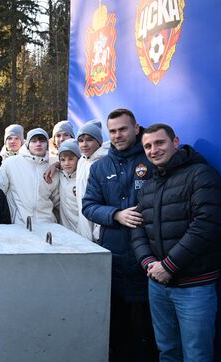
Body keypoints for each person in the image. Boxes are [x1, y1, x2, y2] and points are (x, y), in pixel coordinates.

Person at [132, 123, 221, 361]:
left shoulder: (200, 174)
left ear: (175, 141)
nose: (153, 150)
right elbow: (137, 227)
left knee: (197, 355)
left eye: (159, 143)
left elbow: (206, 225)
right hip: (157, 285)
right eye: (148, 146)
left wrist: (169, 266)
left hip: (194, 287)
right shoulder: (150, 184)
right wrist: (149, 263)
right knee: (167, 351)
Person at [82, 108, 156, 362]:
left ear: (136, 129)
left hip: (147, 260)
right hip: (113, 259)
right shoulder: (100, 167)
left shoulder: (151, 159)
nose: (117, 135)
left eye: (123, 129)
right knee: (117, 332)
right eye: (112, 131)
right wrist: (116, 214)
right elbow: (89, 205)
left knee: (146, 332)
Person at [0, 128, 59, 225]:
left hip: (46, 224)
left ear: (47, 144)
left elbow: (58, 201)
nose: (38, 144)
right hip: (18, 224)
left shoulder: (52, 168)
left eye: (42, 141)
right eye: (34, 141)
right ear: (27, 143)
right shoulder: (11, 163)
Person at [76, 120, 108, 241]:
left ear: (99, 142)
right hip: (83, 223)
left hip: (98, 227)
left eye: (89, 140)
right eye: (81, 140)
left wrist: (98, 230)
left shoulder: (104, 163)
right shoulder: (82, 161)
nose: (84, 144)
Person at [57, 139, 80, 233]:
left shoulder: (83, 178)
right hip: (66, 231)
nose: (66, 163)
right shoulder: (60, 176)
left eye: (71, 159)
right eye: (62, 160)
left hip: (83, 230)